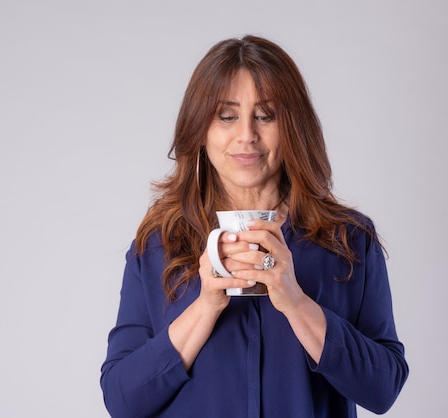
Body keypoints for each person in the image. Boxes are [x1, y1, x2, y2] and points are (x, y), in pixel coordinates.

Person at [100, 35, 408, 418]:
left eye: (266, 115)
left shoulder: (348, 241)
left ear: (293, 127)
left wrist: (295, 302)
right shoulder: (159, 245)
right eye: (226, 116)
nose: (246, 135)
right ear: (200, 132)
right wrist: (206, 306)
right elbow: (122, 400)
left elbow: (383, 389)